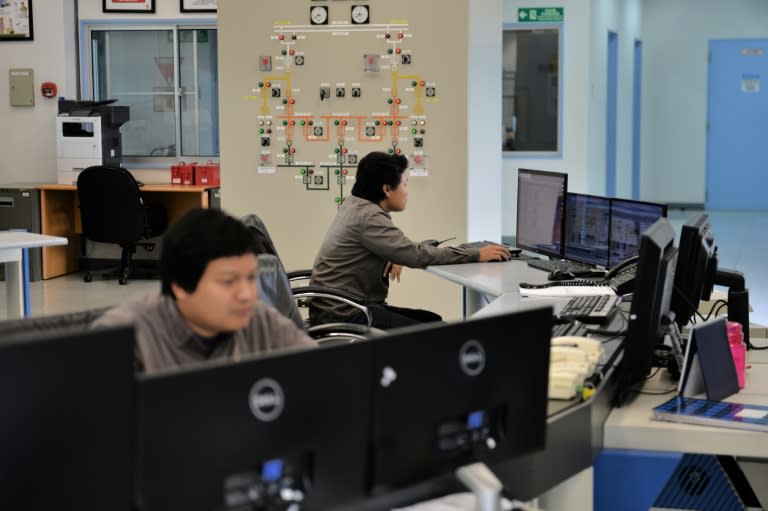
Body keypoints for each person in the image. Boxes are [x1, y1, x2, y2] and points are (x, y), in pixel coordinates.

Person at [92, 207, 315, 374]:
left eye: (251, 278)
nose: (247, 294)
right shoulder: (126, 340)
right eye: (228, 282)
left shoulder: (261, 322)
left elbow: (320, 376)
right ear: (180, 285)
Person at [310, 151, 512, 329]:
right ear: (387, 189)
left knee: (432, 321)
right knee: (434, 331)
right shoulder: (368, 217)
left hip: (339, 306)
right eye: (405, 184)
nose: (407, 192)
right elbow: (415, 255)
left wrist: (392, 254)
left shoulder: (354, 204)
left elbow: (400, 249)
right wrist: (476, 254)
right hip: (347, 313)